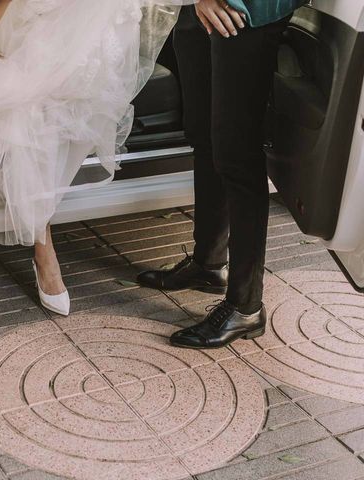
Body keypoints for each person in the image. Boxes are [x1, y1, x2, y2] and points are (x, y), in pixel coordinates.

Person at [0, 0, 180, 317]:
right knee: (38, 127)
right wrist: (26, 88)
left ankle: (41, 219)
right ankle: (43, 246)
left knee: (70, 125)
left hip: (88, 68)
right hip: (28, 73)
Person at [137, 0, 306, 349]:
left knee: (236, 151)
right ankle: (209, 263)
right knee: (204, 135)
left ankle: (245, 306)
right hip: (193, 8)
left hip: (244, 8)